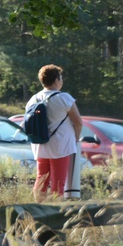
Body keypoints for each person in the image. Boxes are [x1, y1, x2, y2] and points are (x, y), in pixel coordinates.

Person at [27, 65, 82, 201]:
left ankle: (38, 208)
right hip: (60, 146)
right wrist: (76, 137)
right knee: (58, 182)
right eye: (61, 77)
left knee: (41, 179)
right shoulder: (64, 98)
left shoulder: (33, 99)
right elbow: (78, 121)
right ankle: (56, 211)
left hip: (40, 145)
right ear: (57, 80)